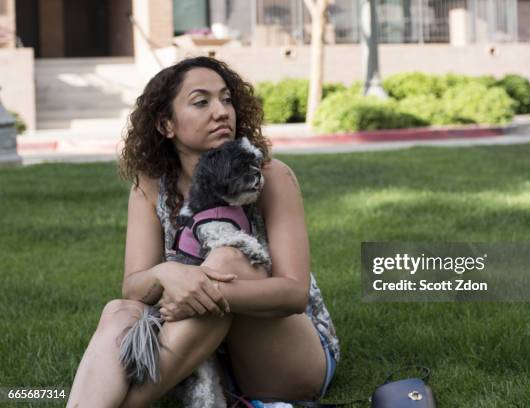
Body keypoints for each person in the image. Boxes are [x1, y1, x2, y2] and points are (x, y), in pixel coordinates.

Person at [66, 56, 340, 407]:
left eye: (227, 99)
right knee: (119, 311)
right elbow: (133, 286)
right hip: (203, 352)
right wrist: (169, 273)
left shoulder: (271, 177)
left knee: (230, 258)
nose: (221, 111)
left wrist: (200, 287)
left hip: (286, 357)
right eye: (201, 102)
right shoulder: (150, 187)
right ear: (166, 125)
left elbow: (294, 294)